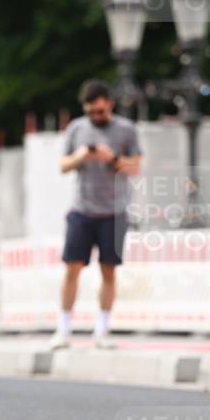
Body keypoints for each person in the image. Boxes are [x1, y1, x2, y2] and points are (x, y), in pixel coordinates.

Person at [50, 79, 141, 350]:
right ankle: (63, 328)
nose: (96, 117)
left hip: (114, 212)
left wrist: (110, 158)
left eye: (100, 112)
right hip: (82, 209)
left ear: (109, 105)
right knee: (71, 269)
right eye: (91, 112)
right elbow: (63, 166)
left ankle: (102, 329)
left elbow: (135, 166)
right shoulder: (77, 128)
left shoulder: (126, 129)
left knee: (108, 271)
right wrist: (81, 156)